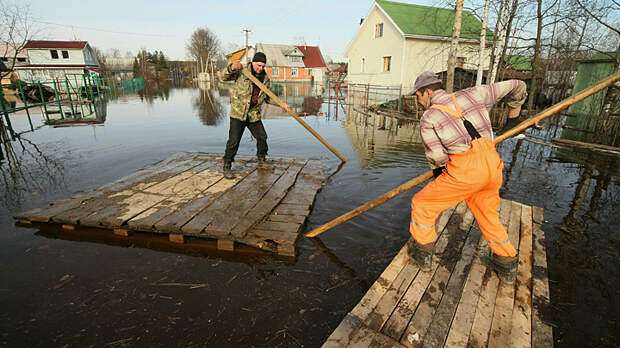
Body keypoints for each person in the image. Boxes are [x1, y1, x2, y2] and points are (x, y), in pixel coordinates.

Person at [408, 71, 526, 283]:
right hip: (493, 166)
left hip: (465, 172)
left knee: (422, 203)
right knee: (487, 213)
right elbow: (517, 85)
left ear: (426, 92)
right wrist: (514, 118)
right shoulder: (474, 94)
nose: (418, 102)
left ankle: (422, 253)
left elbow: (437, 159)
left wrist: (439, 180)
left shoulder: (429, 118)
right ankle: (506, 263)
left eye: (418, 96)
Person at [219, 52, 288, 179]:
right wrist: (231, 68)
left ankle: (262, 161)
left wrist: (281, 104)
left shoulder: (265, 79)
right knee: (234, 141)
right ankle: (227, 165)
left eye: (263, 66)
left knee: (262, 137)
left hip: (253, 114)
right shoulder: (242, 70)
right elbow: (222, 77)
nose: (260, 68)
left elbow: (267, 97)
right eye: (258, 65)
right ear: (253, 63)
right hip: (238, 113)